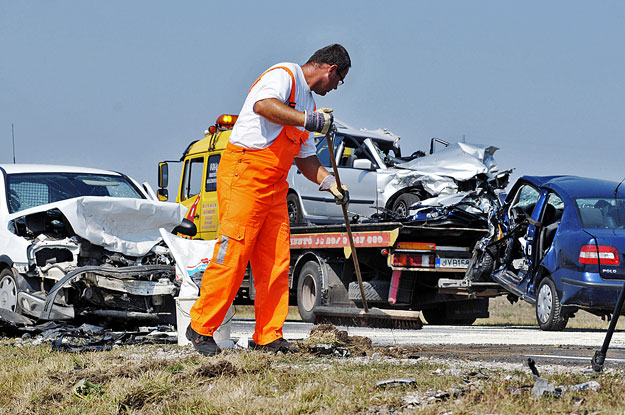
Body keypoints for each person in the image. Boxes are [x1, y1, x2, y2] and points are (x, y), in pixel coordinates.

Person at [187, 44, 351, 356]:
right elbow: (263, 105)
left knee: (276, 261)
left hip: (274, 186)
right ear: (330, 70)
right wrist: (309, 120)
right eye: (339, 80)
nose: (336, 88)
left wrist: (330, 183)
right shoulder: (285, 75)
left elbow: (305, 158)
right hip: (245, 174)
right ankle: (200, 327)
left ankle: (268, 336)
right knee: (233, 252)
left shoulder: (309, 102)